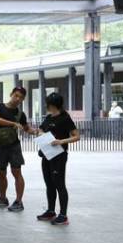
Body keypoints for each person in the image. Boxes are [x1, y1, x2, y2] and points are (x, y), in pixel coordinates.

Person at [0, 86, 38, 212]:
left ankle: (18, 201)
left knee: (17, 172)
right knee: (1, 172)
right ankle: (3, 198)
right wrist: (13, 123)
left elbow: (27, 128)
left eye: (21, 97)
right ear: (11, 94)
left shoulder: (21, 114)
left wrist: (37, 132)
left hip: (14, 146)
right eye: (16, 95)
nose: (18, 99)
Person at [36, 93, 80, 226]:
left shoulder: (65, 118)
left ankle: (63, 215)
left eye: (48, 103)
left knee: (59, 184)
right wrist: (41, 133)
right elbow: (40, 130)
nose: (46, 106)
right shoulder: (48, 117)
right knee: (49, 183)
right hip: (47, 154)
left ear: (53, 105)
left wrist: (61, 141)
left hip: (59, 156)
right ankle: (51, 211)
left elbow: (76, 136)